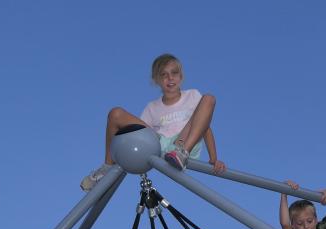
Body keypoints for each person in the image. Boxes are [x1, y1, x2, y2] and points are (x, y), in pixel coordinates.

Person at [81, 53, 226, 191]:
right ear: (156, 80)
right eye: (164, 75)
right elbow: (140, 134)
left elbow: (205, 127)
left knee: (208, 99)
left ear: (181, 77)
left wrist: (214, 159)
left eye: (174, 73)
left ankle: (182, 154)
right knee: (115, 113)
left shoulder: (193, 96)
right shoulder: (152, 107)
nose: (170, 78)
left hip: (183, 142)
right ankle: (107, 167)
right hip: (160, 146)